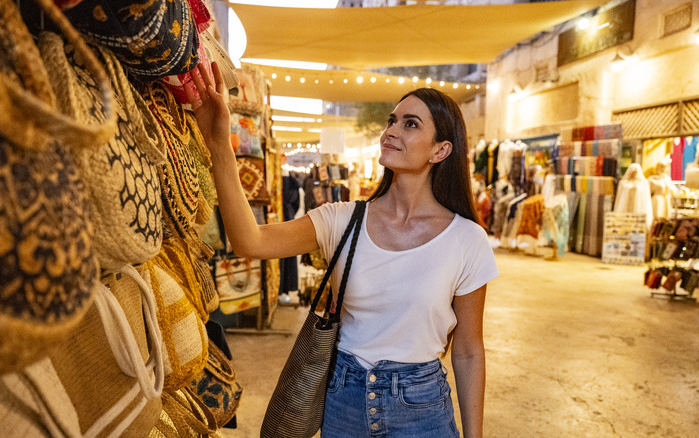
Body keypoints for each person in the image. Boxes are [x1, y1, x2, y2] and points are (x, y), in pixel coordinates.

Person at [187, 63, 498, 438]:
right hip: (343, 400)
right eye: (392, 120)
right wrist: (219, 143)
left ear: (440, 150)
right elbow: (249, 241)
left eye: (410, 124)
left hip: (420, 408)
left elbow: (467, 351)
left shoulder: (466, 240)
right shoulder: (342, 219)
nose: (391, 131)